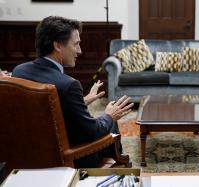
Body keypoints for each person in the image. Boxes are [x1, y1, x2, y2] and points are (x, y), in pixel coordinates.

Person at [12, 16, 134, 167]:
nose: (80, 50)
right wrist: (109, 115)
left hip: (29, 154)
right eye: (76, 44)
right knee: (110, 124)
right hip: (70, 157)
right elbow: (92, 131)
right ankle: (116, 166)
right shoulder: (68, 85)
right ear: (57, 45)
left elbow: (45, 110)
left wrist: (84, 100)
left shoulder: (19, 71)